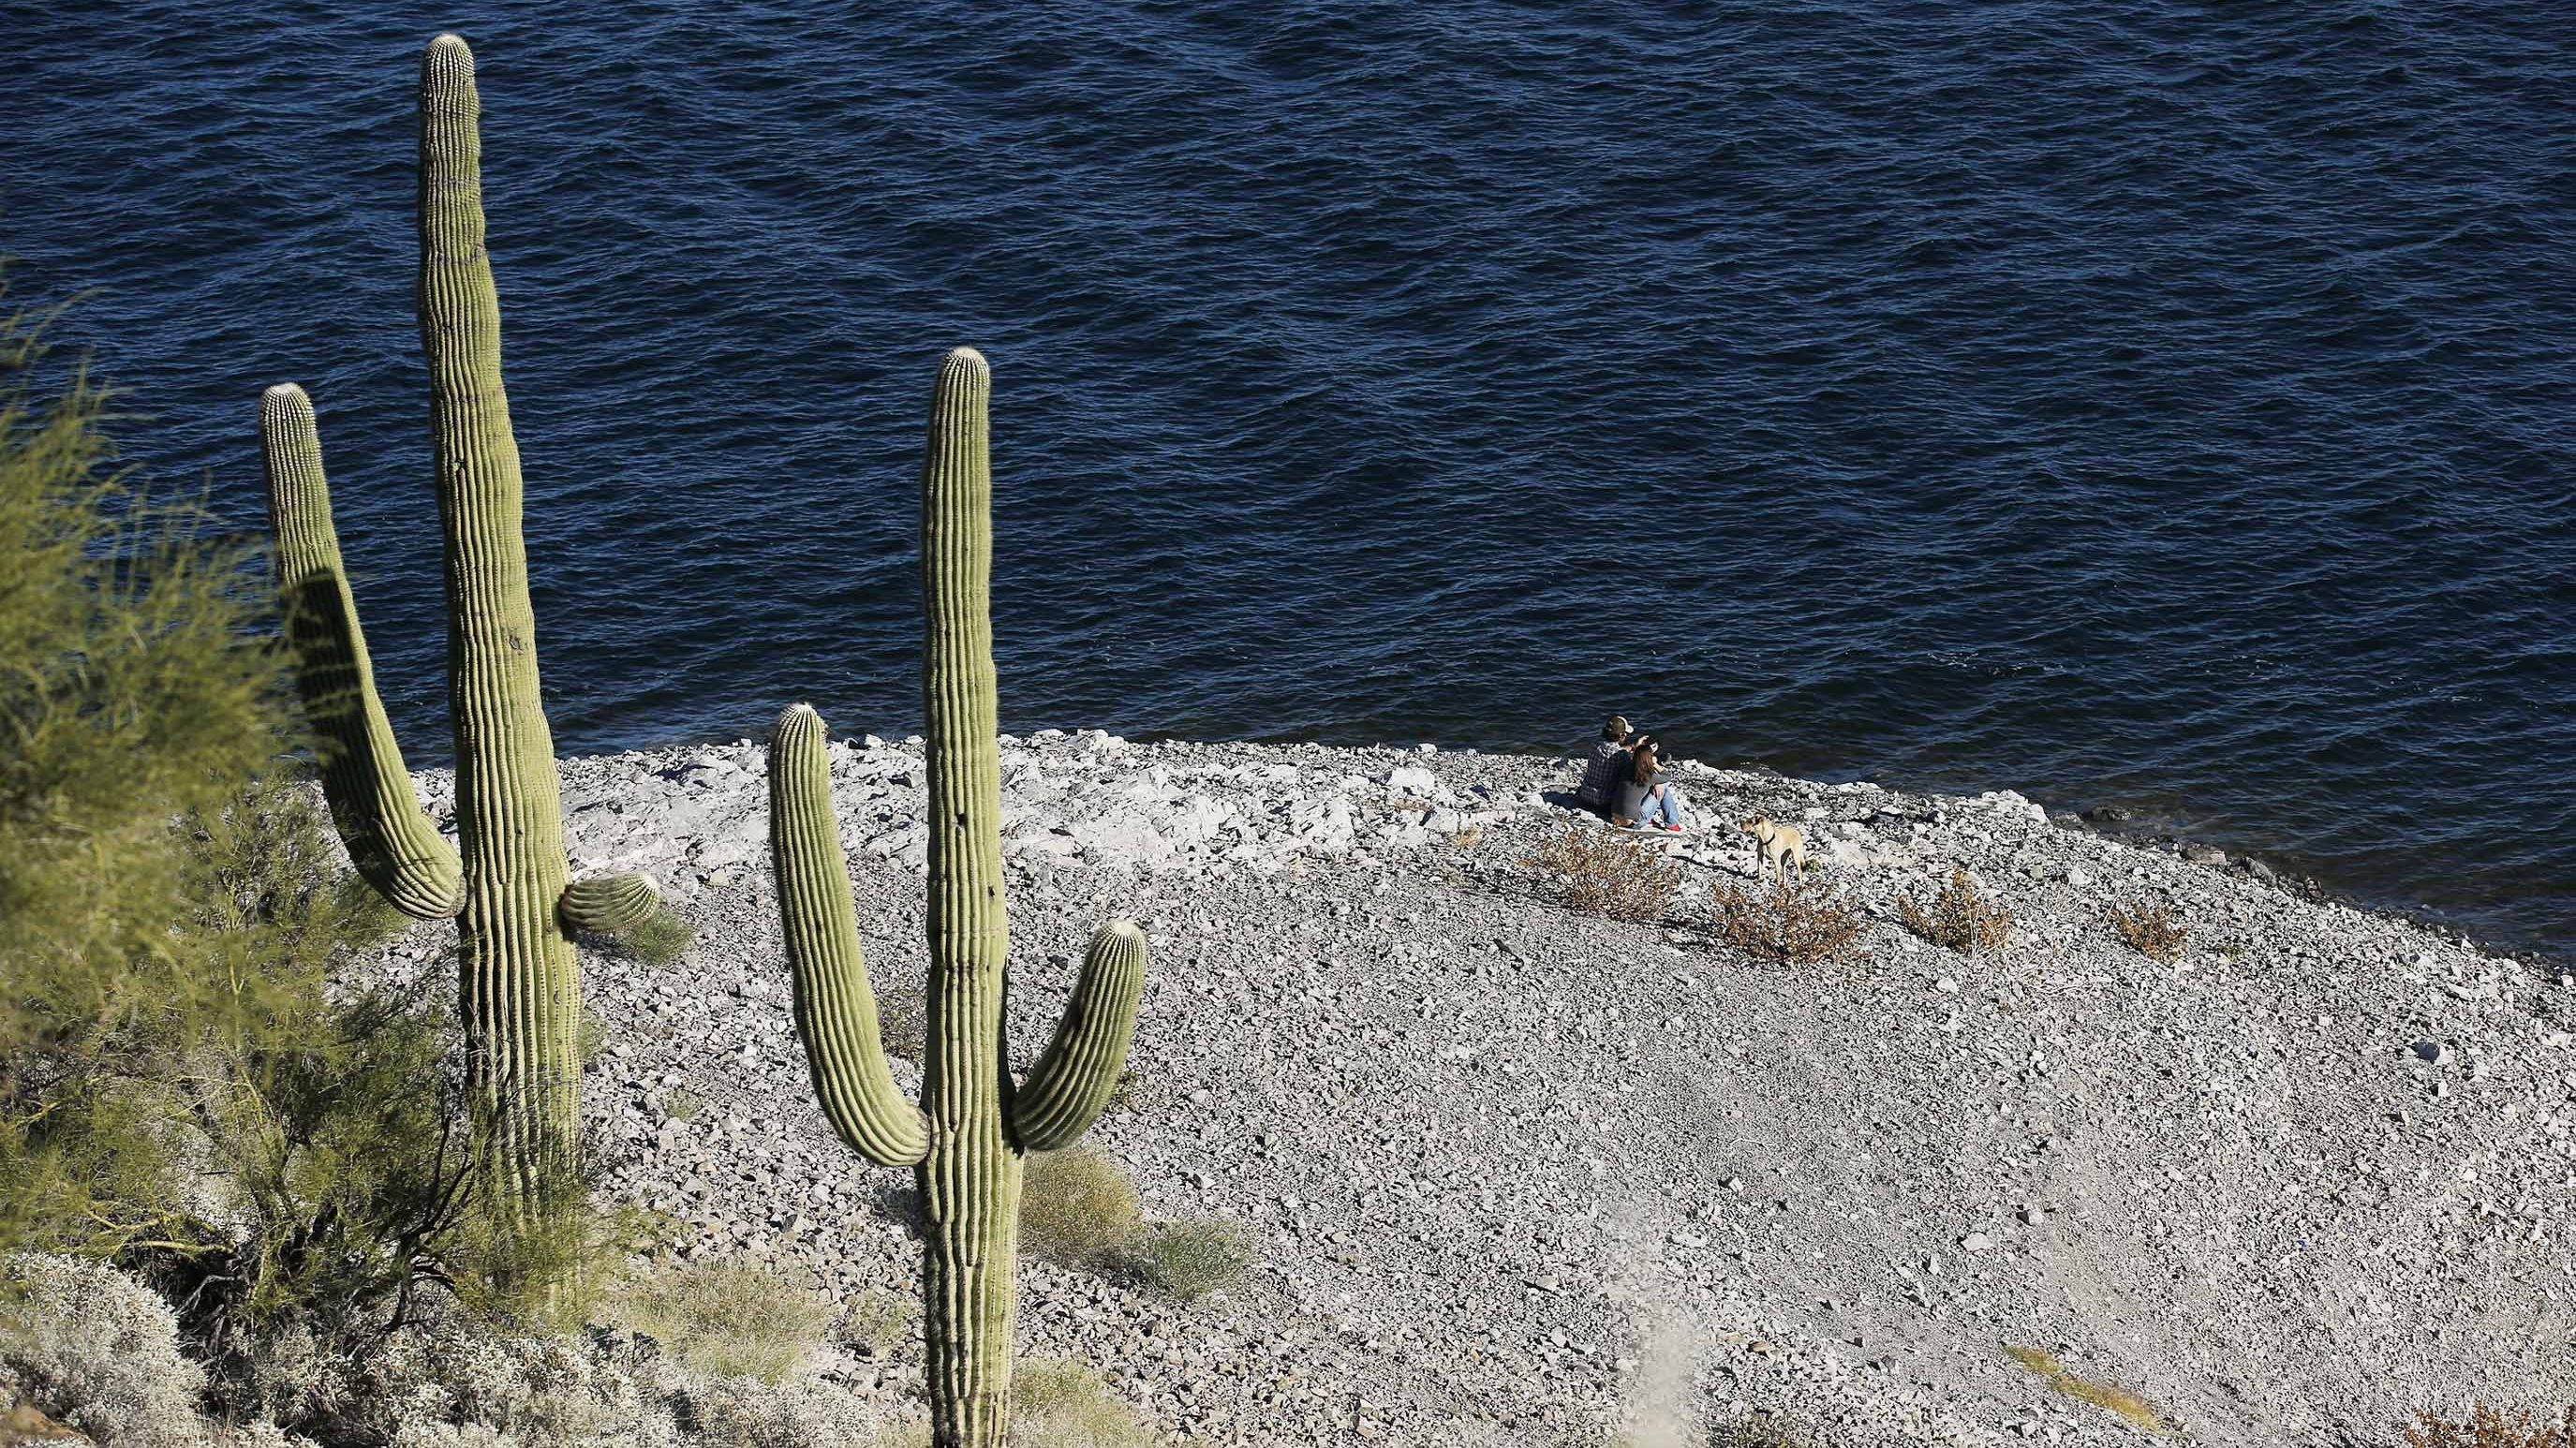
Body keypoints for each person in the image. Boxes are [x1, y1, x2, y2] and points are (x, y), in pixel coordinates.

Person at [1620, 738, 1687, 832]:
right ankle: (1672, 823)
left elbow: (1636, 756)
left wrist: (1640, 749)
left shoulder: (1627, 767)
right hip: (1634, 823)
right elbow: (1667, 776)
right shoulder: (1648, 775)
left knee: (1646, 788)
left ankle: (1652, 819)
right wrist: (1655, 764)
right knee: (1663, 788)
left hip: (1616, 816)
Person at [1575, 715, 1634, 815]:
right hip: (1604, 802)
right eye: (1625, 734)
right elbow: (1635, 769)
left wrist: (1632, 746)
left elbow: (1611, 750)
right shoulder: (1621, 755)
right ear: (1620, 735)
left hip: (1585, 795)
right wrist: (1644, 753)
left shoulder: (1595, 744)